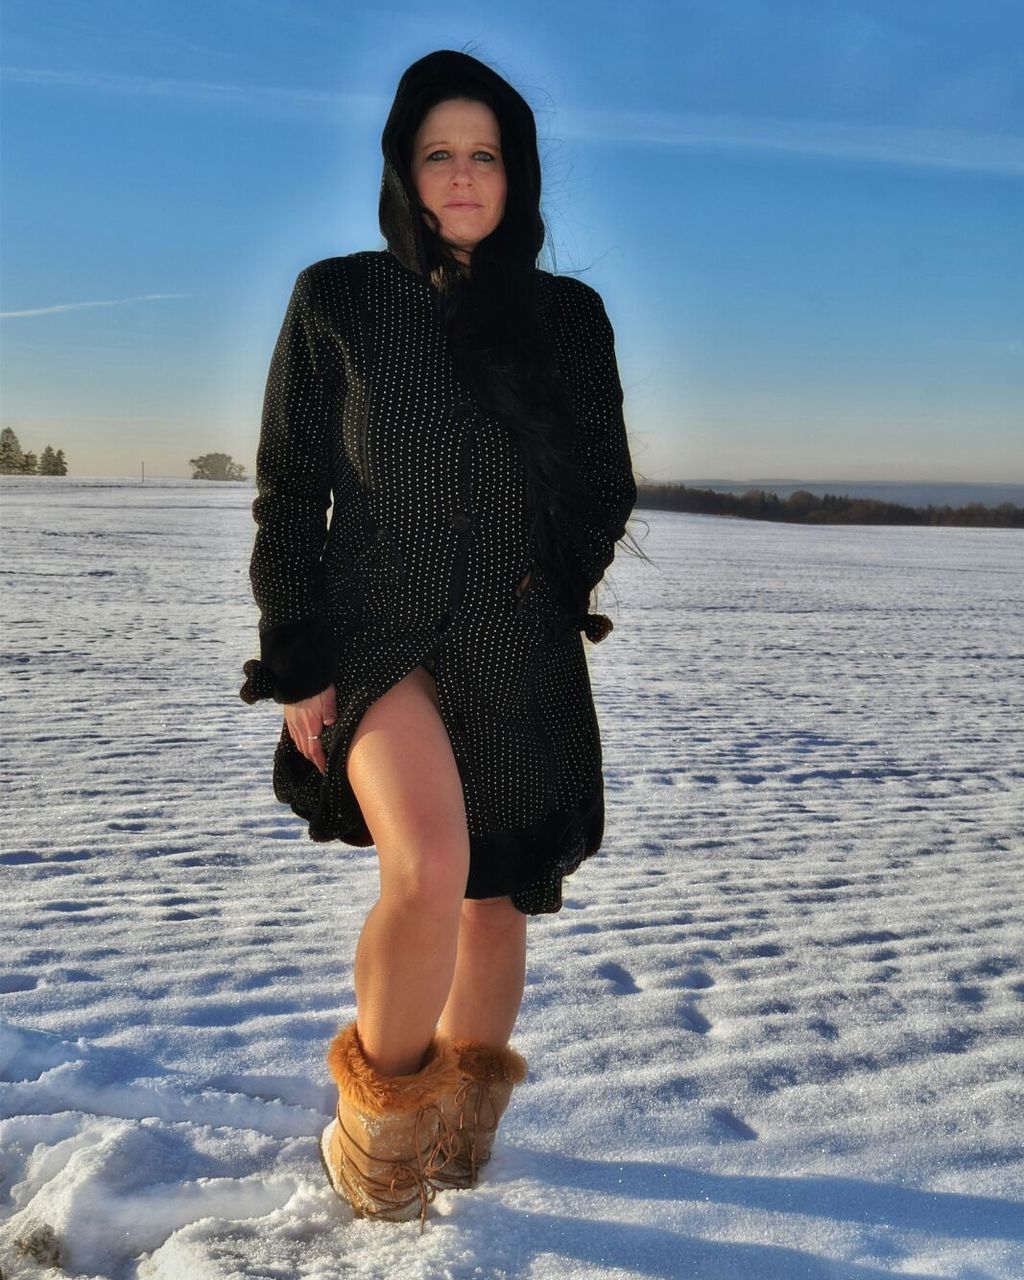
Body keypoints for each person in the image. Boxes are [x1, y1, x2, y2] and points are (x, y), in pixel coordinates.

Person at [239, 48, 642, 1229]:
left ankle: (461, 1133)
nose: (463, 177)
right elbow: (288, 487)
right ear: (403, 170)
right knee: (427, 865)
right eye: (438, 154)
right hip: (378, 637)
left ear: (515, 173)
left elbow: (602, 481)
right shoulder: (339, 300)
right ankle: (379, 1143)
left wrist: (547, 584)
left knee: (496, 893)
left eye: (486, 155)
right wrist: (296, 653)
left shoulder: (567, 318)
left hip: (517, 641)